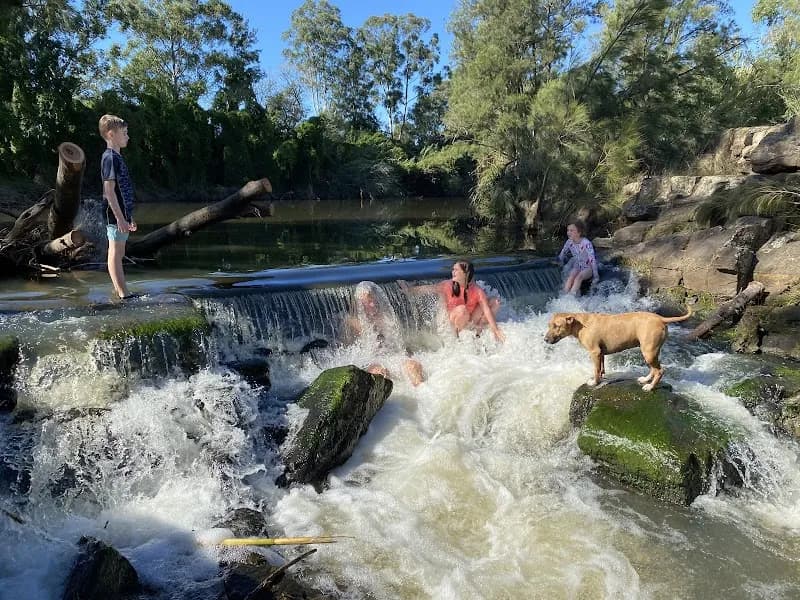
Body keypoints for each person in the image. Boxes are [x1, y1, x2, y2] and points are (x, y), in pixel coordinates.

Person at [401, 260, 505, 342]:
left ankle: (479, 328)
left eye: (456, 270)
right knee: (462, 310)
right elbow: (428, 289)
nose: (453, 272)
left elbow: (486, 309)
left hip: (470, 319)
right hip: (454, 321)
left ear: (466, 273)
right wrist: (408, 290)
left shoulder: (476, 289)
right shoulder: (447, 285)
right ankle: (457, 337)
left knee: (495, 301)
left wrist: (495, 330)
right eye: (453, 269)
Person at [346, 281, 425, 386]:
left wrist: (409, 355)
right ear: (359, 305)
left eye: (374, 300)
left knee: (413, 366)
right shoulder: (352, 323)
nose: (373, 304)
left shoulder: (386, 317)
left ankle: (423, 393)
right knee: (379, 372)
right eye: (368, 302)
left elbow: (399, 343)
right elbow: (348, 351)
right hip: (368, 361)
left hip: (391, 356)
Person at [99, 114, 138, 300]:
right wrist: (120, 218)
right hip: (114, 213)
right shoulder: (109, 158)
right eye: (124, 133)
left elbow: (123, 190)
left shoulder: (117, 157)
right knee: (115, 252)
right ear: (111, 134)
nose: (127, 136)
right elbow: (109, 190)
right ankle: (123, 293)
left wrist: (128, 216)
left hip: (122, 213)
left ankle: (118, 289)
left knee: (120, 251)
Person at [556, 219, 599, 296]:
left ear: (579, 232)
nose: (568, 232)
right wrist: (559, 260)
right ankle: (563, 296)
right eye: (568, 230)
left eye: (571, 230)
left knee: (578, 277)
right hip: (578, 266)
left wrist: (596, 276)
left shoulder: (586, 243)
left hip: (588, 268)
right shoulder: (569, 242)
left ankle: (571, 297)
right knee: (571, 277)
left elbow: (592, 260)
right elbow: (563, 252)